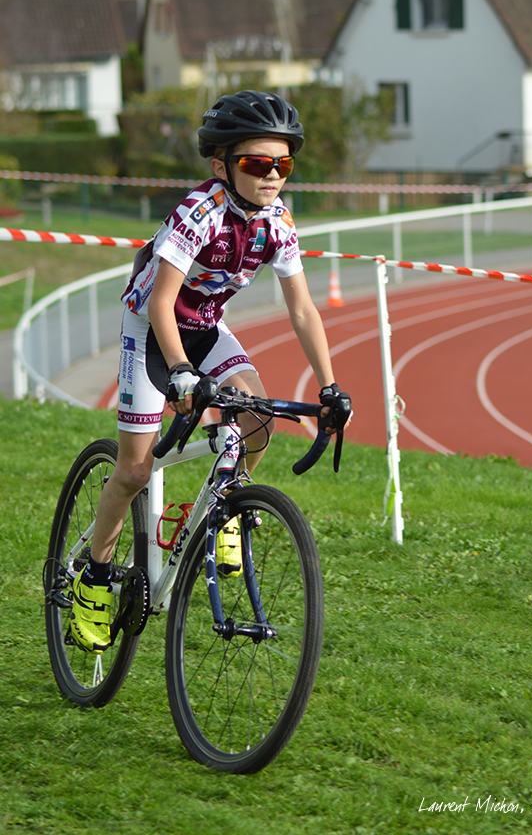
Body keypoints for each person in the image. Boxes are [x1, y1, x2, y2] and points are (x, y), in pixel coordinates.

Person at [70, 90, 349, 653]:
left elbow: (301, 308)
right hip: (153, 328)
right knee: (133, 472)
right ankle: (94, 579)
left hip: (204, 327)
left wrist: (329, 384)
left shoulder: (278, 221)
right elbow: (160, 300)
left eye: (283, 164)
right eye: (257, 163)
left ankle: (225, 506)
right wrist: (179, 372)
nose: (272, 175)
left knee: (258, 420)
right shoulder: (200, 212)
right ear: (222, 166)